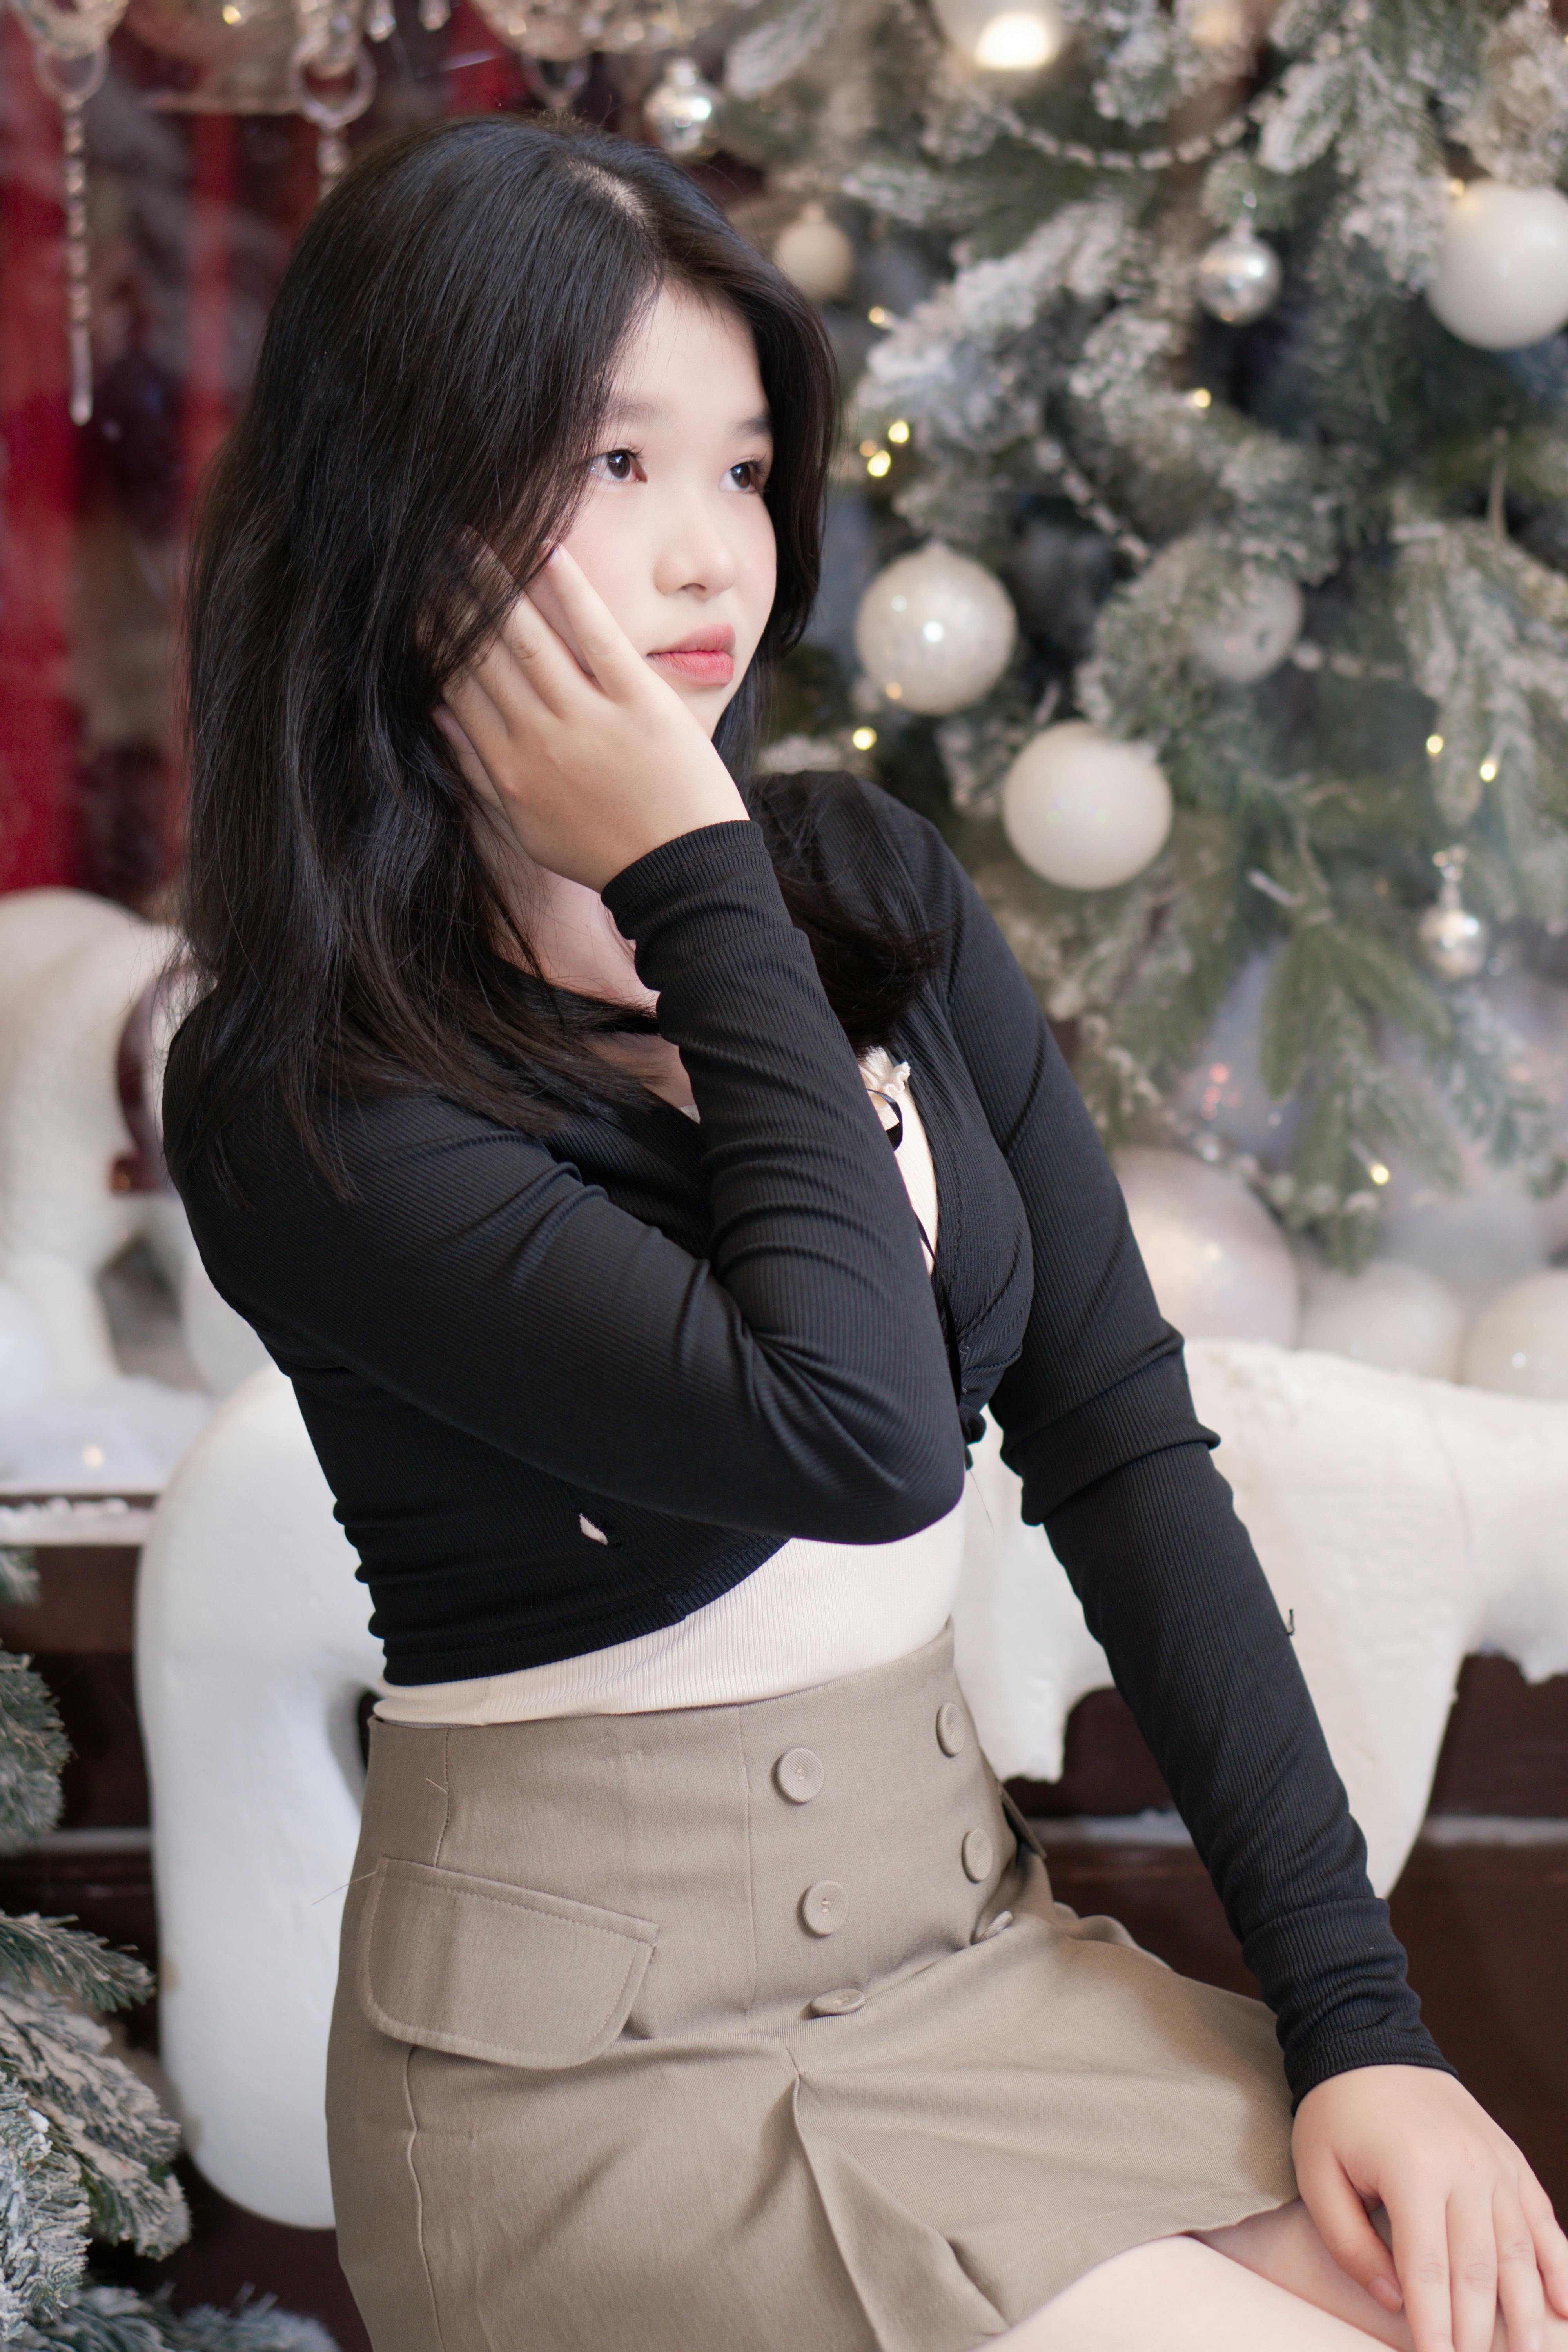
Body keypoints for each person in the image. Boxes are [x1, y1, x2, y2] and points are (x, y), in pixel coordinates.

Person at [162, 112, 1568, 2352]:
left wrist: (1363, 2028)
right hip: (592, 2094)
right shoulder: (302, 1091)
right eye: (616, 465)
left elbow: (1113, 1436)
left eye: (742, 466)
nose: (714, 553)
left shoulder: (866, 886)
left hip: (967, 1970)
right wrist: (691, 870)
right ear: (403, 513)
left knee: (1478, 2318)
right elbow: (861, 1433)